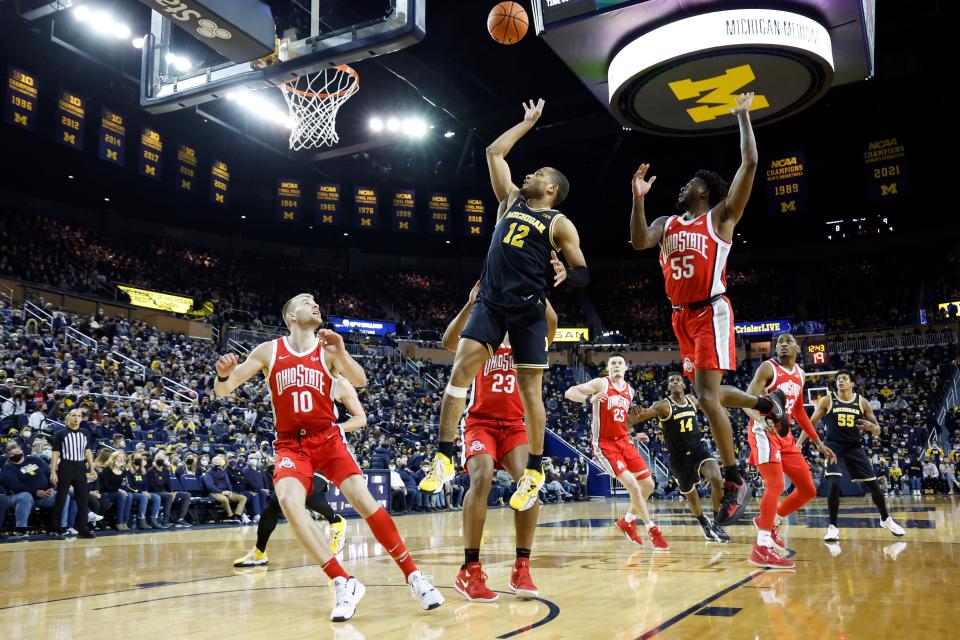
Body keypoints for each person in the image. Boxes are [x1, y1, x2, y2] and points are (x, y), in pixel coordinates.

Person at [213, 293, 442, 622]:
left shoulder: (327, 349)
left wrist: (342, 353)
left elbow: (361, 381)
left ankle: (414, 576)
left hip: (328, 438)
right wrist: (224, 374)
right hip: (292, 444)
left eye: (316, 301)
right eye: (306, 302)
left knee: (364, 501)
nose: (315, 304)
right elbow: (224, 389)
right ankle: (342, 581)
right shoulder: (268, 351)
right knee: (290, 502)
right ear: (291, 316)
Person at [626, 92, 791, 526]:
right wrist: (639, 197)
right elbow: (639, 240)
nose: (683, 186)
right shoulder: (666, 224)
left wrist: (743, 117)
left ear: (706, 191)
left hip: (711, 311)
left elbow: (750, 165)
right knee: (710, 398)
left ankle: (735, 479)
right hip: (680, 316)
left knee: (704, 397)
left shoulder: (720, 218)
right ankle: (765, 404)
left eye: (691, 184)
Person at [420, 98, 589, 514]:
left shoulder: (559, 222)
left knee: (531, 390)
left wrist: (569, 275)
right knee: (460, 370)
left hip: (529, 308)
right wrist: (526, 124)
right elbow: (494, 152)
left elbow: (583, 269)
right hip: (492, 302)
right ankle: (443, 456)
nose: (530, 173)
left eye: (540, 174)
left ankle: (534, 469)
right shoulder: (509, 202)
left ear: (551, 189)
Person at [441, 283, 557, 602]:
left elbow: (553, 323)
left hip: (514, 426)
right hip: (480, 423)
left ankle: (522, 566)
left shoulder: (528, 337)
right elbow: (449, 341)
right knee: (482, 479)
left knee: (528, 485)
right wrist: (469, 304)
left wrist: (536, 285)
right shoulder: (484, 333)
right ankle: (470, 569)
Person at [234, 375, 366, 568]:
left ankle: (335, 521)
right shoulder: (298, 381)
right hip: (299, 450)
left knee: (307, 494)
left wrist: (334, 430)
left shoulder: (338, 384)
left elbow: (360, 420)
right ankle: (259, 552)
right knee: (274, 502)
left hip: (327, 449)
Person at [743, 333, 837, 570]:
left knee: (807, 489)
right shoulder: (768, 368)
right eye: (779, 342)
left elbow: (799, 412)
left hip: (785, 437)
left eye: (788, 341)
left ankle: (771, 522)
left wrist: (817, 442)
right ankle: (761, 548)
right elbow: (746, 400)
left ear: (797, 348)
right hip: (763, 432)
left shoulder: (800, 374)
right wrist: (763, 422)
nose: (783, 344)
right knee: (775, 485)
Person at [564, 355, 669, 550]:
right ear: (608, 368)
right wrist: (590, 398)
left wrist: (635, 433)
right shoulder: (601, 383)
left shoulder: (630, 390)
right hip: (604, 445)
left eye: (620, 363)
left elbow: (622, 419)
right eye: (613, 363)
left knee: (648, 485)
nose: (617, 365)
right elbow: (569, 392)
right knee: (633, 486)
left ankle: (627, 521)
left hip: (625, 441)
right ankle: (652, 530)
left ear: (626, 368)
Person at [797, 371, 905, 543]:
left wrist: (872, 427)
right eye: (838, 379)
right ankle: (832, 527)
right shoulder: (828, 400)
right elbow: (811, 423)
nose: (840, 381)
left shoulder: (862, 402)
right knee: (834, 484)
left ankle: (885, 519)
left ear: (852, 383)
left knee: (874, 485)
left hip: (854, 447)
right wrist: (799, 443)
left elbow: (877, 430)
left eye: (844, 379)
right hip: (833, 446)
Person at [630, 373, 730, 543]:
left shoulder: (692, 400)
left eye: (678, 380)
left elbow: (711, 404)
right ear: (668, 387)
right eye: (671, 381)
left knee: (716, 479)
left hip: (699, 449)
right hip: (678, 457)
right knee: (692, 497)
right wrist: (634, 413)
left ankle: (716, 522)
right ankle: (703, 523)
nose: (675, 382)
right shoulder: (662, 405)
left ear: (684, 386)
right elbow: (635, 419)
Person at [50, 408, 96, 539]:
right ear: (69, 417)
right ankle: (56, 529)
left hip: (80, 467)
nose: (76, 418)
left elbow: (87, 451)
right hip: (66, 466)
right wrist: (53, 472)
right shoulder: (61, 433)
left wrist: (92, 468)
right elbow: (55, 453)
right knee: (61, 499)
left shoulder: (85, 433)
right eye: (73, 415)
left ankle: (82, 528)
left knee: (83, 499)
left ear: (82, 418)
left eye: (79, 416)